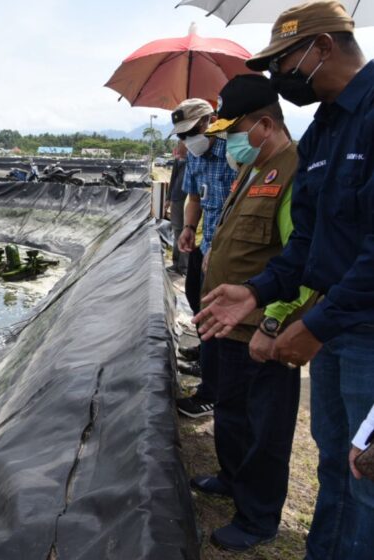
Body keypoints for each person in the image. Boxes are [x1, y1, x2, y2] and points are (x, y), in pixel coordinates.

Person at [195, 2, 374, 558]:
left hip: (363, 332)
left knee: (366, 475)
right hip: (338, 331)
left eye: (284, 61)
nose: (278, 77)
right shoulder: (325, 130)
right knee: (331, 461)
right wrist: (257, 289)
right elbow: (307, 242)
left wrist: (309, 322)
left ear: (321, 48)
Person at [190, 74, 316, 552]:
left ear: (265, 124)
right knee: (232, 412)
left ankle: (258, 516)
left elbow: (302, 261)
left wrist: (272, 322)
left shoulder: (294, 171)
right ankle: (231, 477)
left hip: (261, 330)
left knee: (266, 427)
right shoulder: (254, 167)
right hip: (228, 324)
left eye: (235, 130)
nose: (230, 142)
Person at [171, 98, 237, 418]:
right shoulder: (195, 156)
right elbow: (194, 197)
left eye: (190, 132)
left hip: (226, 249)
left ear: (209, 122)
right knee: (194, 298)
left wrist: (219, 248)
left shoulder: (234, 153)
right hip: (203, 242)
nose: (186, 140)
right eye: (181, 134)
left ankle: (211, 393)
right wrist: (188, 228)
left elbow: (239, 207)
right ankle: (205, 358)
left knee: (213, 316)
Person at [167, 141, 189, 275]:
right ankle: (176, 264)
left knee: (186, 232)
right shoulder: (178, 159)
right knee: (177, 232)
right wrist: (168, 198)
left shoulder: (195, 157)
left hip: (189, 200)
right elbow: (173, 178)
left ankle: (184, 267)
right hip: (176, 199)